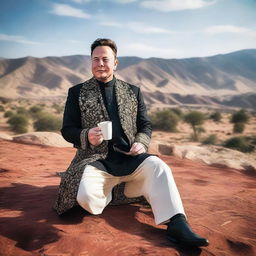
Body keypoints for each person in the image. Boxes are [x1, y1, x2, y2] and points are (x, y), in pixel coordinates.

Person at [54, 38, 209, 247]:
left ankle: (178, 223)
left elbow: (145, 125)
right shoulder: (77, 92)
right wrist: (86, 135)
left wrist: (142, 143)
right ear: (90, 62)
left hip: (129, 157)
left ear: (115, 63)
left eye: (105, 59)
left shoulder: (132, 91)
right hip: (94, 159)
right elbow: (67, 129)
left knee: (159, 167)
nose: (100, 64)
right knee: (87, 199)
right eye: (95, 59)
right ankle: (120, 190)